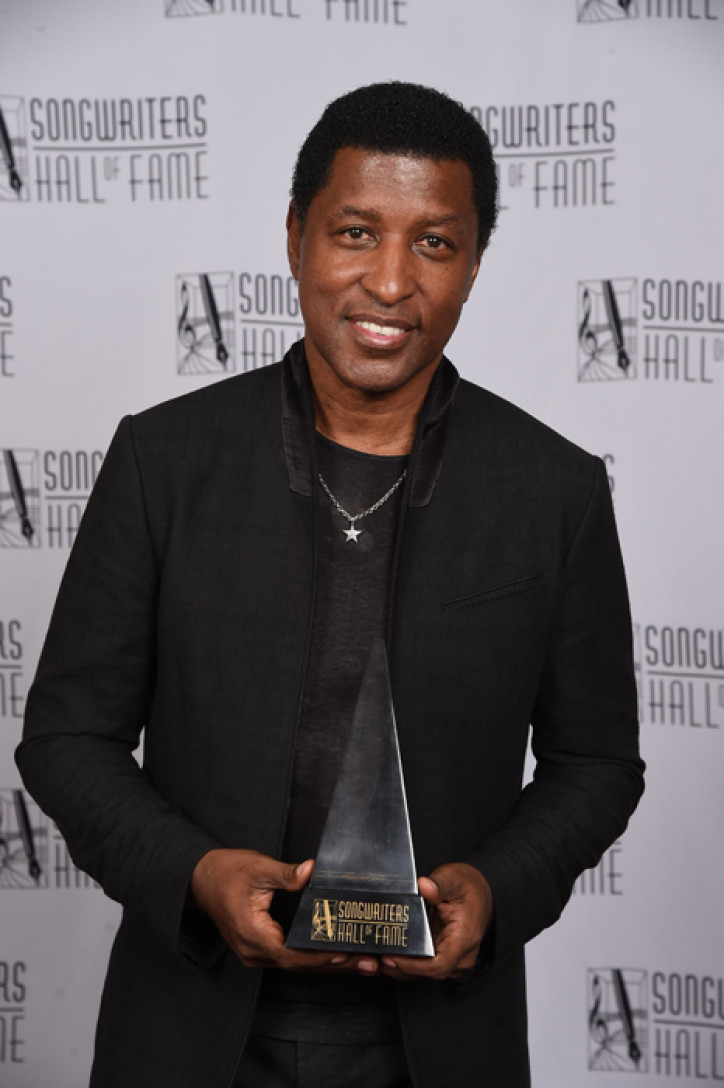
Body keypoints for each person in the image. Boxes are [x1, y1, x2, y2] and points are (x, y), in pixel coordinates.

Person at [16, 82, 644, 1088]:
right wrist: (196, 875)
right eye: (356, 232)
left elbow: (598, 762)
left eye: (433, 243)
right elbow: (66, 737)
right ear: (296, 237)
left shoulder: (554, 489)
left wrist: (494, 889)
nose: (390, 282)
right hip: (187, 1033)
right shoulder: (163, 461)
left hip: (442, 1044)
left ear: (474, 263)